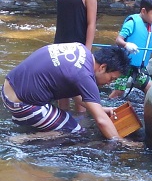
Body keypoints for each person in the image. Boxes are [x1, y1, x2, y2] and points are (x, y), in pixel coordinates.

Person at [1, 42, 130, 140]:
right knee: (75, 131)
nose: (110, 83)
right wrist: (120, 142)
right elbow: (101, 121)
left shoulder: (80, 49)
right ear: (103, 67)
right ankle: (21, 140)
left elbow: (78, 93)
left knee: (67, 119)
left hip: (8, 88)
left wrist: (100, 109)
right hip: (22, 104)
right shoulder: (85, 76)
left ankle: (31, 124)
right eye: (111, 78)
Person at [54, 0, 97, 112]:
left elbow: (91, 24)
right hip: (59, 47)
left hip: (78, 49)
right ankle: (62, 119)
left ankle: (82, 124)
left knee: (79, 91)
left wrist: (87, 51)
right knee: (61, 89)